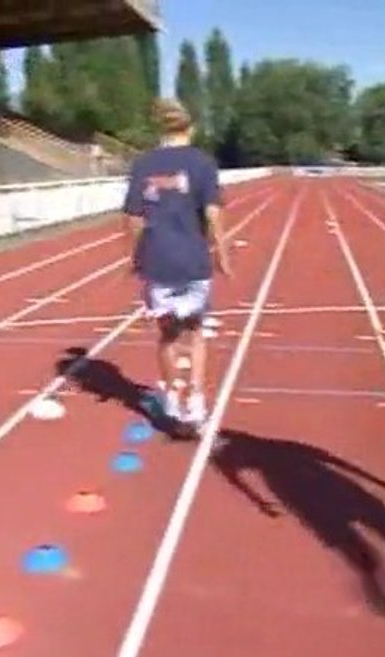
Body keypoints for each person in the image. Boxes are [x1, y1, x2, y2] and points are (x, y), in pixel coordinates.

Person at [122, 98, 231, 428]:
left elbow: (133, 217)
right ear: (191, 128)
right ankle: (196, 403)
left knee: (168, 336)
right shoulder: (203, 163)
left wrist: (137, 255)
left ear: (161, 128)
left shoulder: (143, 164)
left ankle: (171, 401)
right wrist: (222, 253)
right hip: (193, 260)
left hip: (159, 261)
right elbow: (213, 214)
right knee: (195, 333)